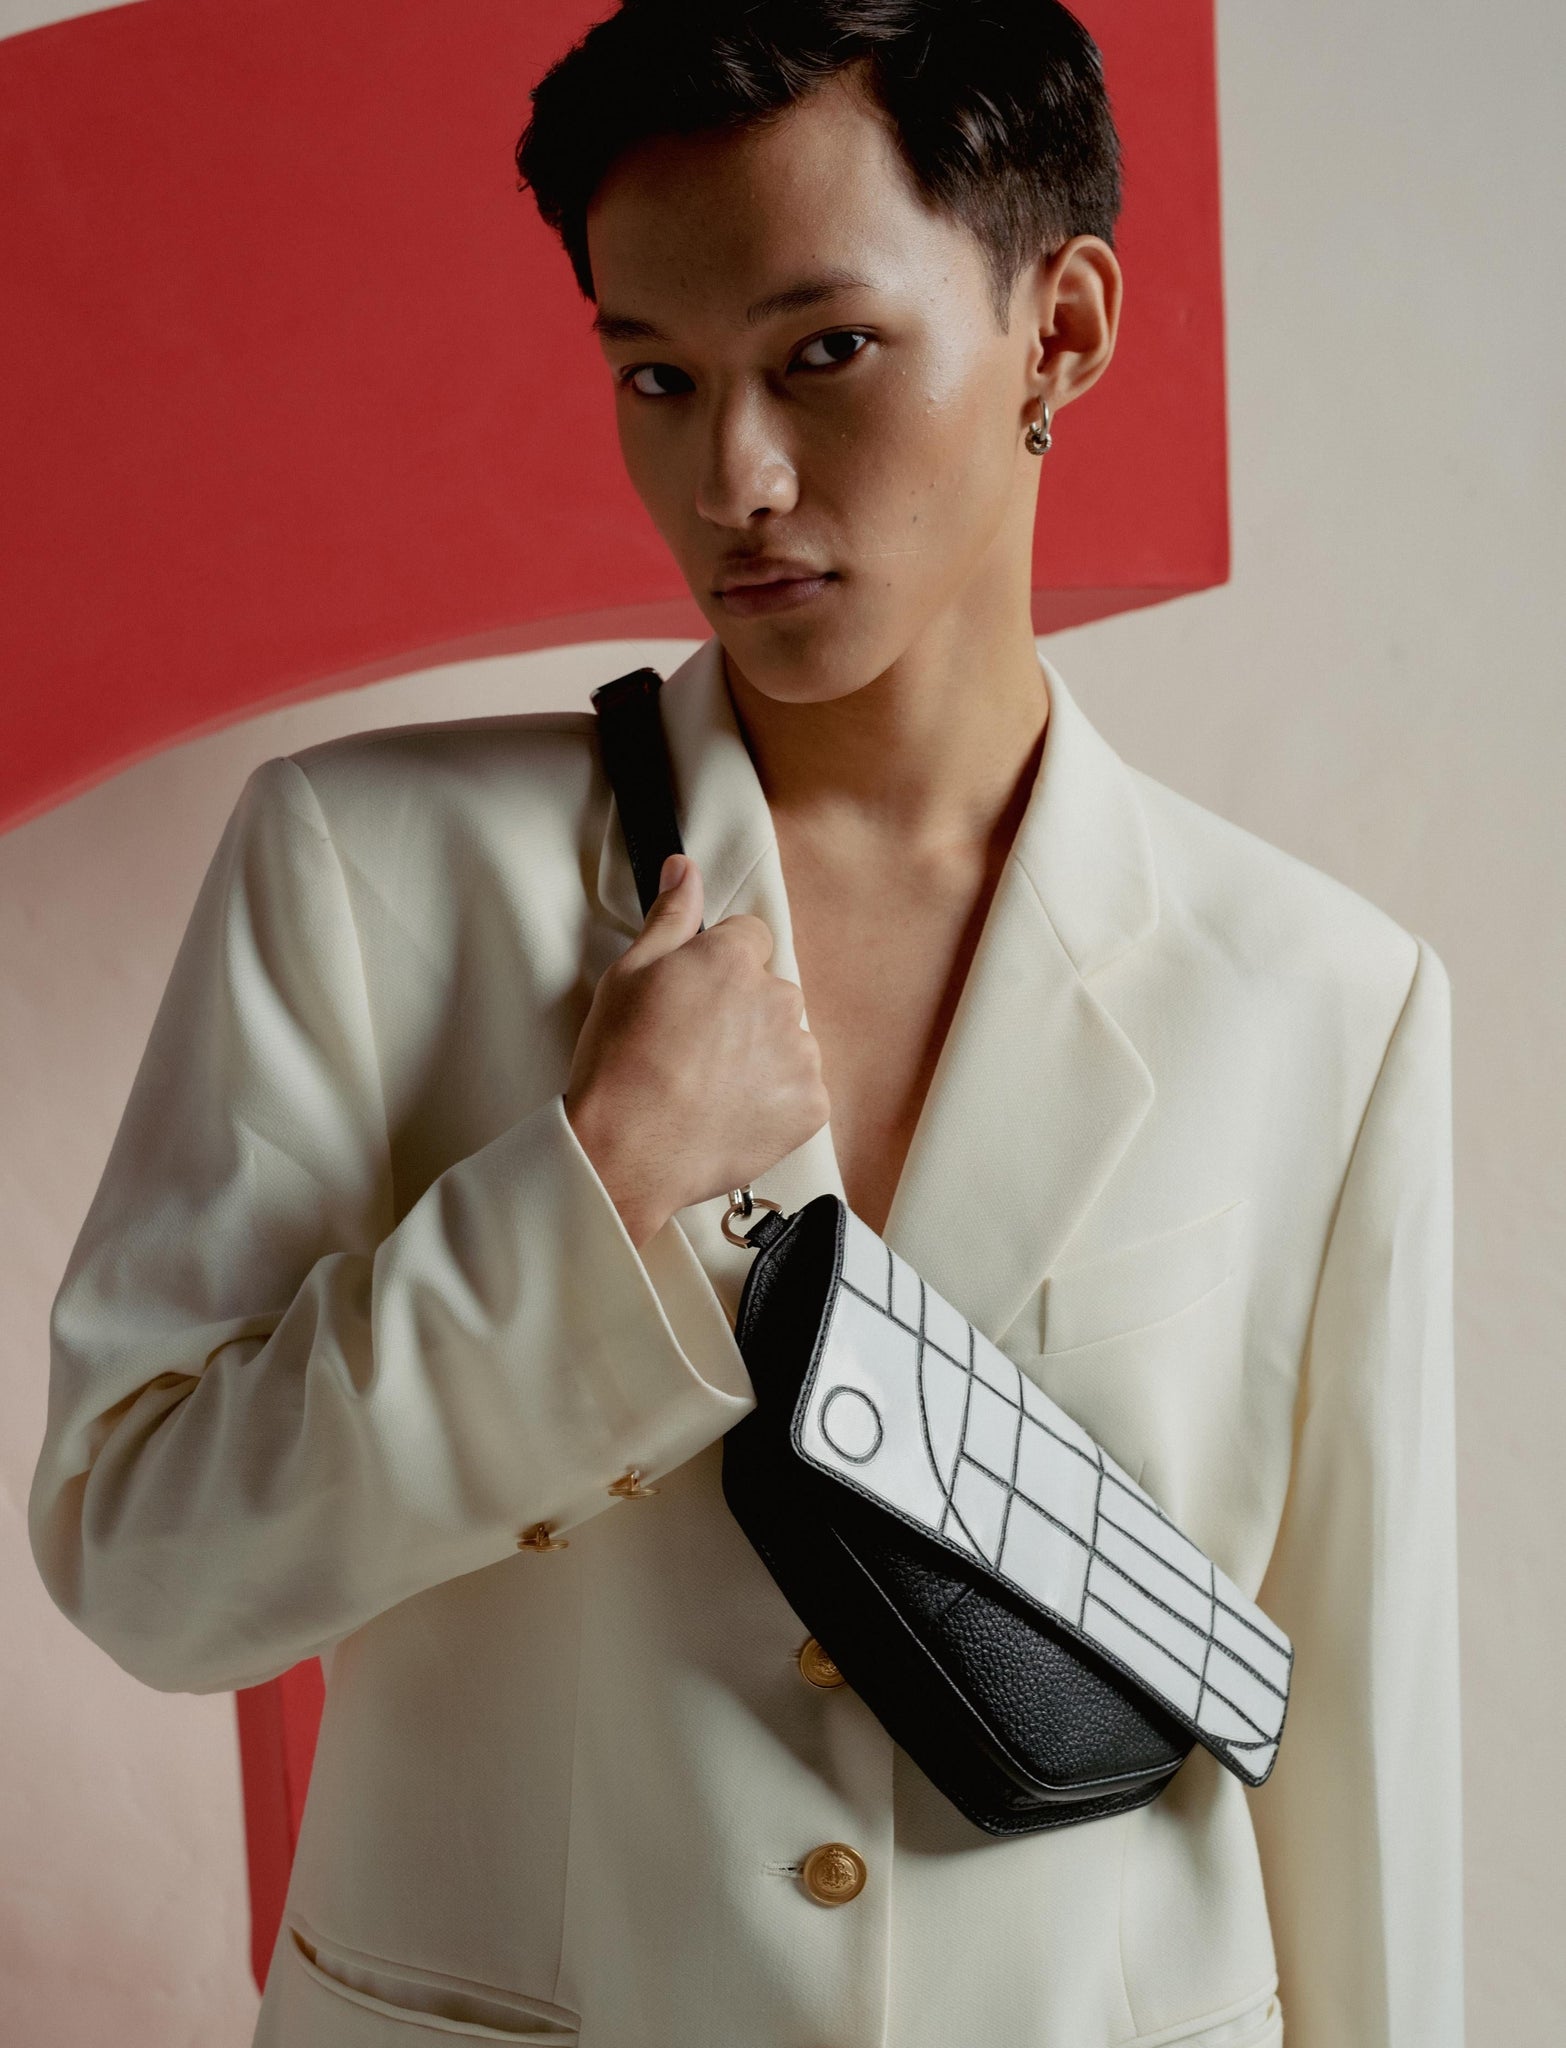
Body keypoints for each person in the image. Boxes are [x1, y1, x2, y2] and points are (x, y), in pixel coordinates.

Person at [28, 3, 1464, 2044]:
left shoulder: (1324, 1000)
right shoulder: (366, 873)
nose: (734, 479)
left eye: (824, 353)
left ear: (1059, 331)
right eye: (657, 376)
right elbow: (151, 1571)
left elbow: (1350, 1755)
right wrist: (583, 1199)